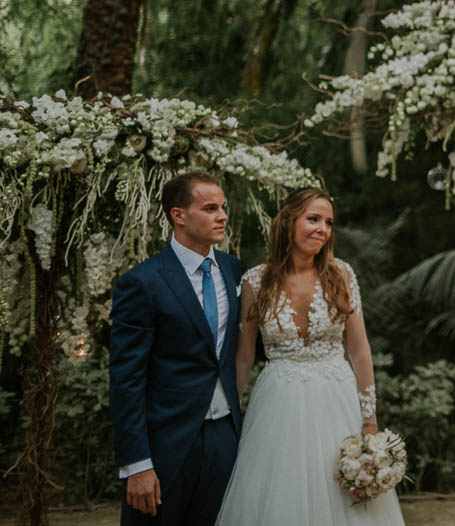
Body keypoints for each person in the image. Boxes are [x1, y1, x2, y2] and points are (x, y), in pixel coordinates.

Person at [215, 187, 405, 526]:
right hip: (277, 404)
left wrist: (369, 418)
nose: (323, 229)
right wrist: (230, 415)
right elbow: (242, 357)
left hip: (336, 399)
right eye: (313, 219)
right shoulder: (254, 281)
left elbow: (359, 350)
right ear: (288, 222)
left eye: (329, 223)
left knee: (340, 492)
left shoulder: (342, 275)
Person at [110, 171, 243, 525]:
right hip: (165, 443)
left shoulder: (232, 269)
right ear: (178, 215)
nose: (222, 216)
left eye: (223, 207)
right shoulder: (141, 283)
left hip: (225, 437)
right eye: (210, 208)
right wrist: (137, 464)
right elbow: (126, 379)